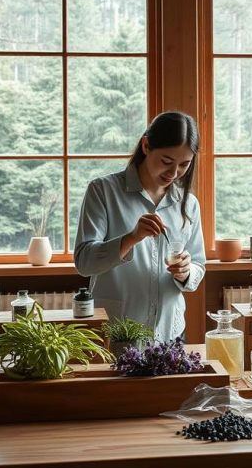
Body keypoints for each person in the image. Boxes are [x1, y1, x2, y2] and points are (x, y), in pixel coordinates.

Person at [75, 111, 205, 342]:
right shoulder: (103, 191)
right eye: (166, 161)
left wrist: (187, 272)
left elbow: (198, 264)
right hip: (116, 333)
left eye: (184, 164)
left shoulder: (189, 204)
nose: (174, 173)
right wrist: (131, 238)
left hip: (171, 332)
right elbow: (84, 262)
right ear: (146, 145)